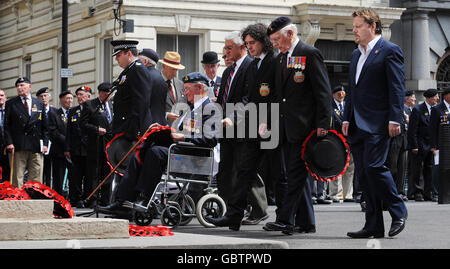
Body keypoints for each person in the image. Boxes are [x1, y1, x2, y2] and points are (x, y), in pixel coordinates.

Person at [98, 72, 221, 216]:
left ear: (199, 88)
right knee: (140, 151)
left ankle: (144, 197)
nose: (185, 93)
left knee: (155, 153)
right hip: (181, 152)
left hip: (194, 157)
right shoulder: (191, 109)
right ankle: (123, 200)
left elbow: (211, 139)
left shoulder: (211, 109)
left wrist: (184, 138)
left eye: (187, 89)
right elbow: (179, 131)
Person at [261, 16, 332, 235]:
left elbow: (323, 92)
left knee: (295, 174)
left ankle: (285, 219)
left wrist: (323, 123)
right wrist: (269, 121)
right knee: (297, 175)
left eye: (276, 39)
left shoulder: (310, 54)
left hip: (305, 127)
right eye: (272, 40)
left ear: (290, 34)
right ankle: (306, 222)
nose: (274, 44)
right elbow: (278, 96)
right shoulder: (281, 59)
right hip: (286, 127)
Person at [342, 9, 408, 238]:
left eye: (358, 26)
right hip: (357, 124)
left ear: (373, 26)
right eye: (353, 27)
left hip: (380, 122)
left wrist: (395, 118)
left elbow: (397, 87)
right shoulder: (355, 54)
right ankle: (373, 225)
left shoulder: (390, 51)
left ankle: (399, 210)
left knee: (375, 167)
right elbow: (352, 90)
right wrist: (346, 117)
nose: (355, 30)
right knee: (364, 174)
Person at [215, 30, 252, 207]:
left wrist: (233, 117)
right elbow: (222, 99)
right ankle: (228, 207)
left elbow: (248, 98)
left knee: (243, 171)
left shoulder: (251, 66)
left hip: (243, 128)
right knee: (225, 171)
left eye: (230, 48)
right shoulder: (229, 70)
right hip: (226, 129)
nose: (226, 51)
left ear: (242, 47)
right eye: (225, 48)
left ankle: (256, 209)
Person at [4, 77, 49, 188]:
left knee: (36, 175)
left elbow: (45, 126)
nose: (19, 88)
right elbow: (6, 126)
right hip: (18, 144)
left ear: (29, 86)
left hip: (35, 145)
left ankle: (33, 199)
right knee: (17, 176)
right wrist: (9, 142)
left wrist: (45, 144)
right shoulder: (11, 103)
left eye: (22, 85)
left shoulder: (38, 103)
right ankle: (18, 201)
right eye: (17, 86)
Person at [111, 40, 159, 139]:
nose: (116, 59)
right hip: (124, 126)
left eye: (118, 55)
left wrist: (134, 130)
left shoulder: (138, 69)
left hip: (131, 129)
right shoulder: (129, 70)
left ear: (128, 53)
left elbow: (141, 101)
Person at [80, 82, 114, 206]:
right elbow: (83, 124)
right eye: (106, 93)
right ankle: (92, 200)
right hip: (95, 144)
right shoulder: (90, 105)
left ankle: (106, 201)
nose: (108, 96)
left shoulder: (111, 105)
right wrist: (95, 129)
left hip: (109, 145)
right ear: (100, 93)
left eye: (109, 94)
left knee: (107, 173)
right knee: (93, 173)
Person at [408, 88, 439, 202]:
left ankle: (428, 192)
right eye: (435, 96)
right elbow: (412, 130)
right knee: (418, 169)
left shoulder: (435, 109)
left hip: (431, 144)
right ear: (429, 98)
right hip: (420, 144)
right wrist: (414, 145)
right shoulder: (418, 109)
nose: (437, 98)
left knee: (430, 168)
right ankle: (418, 192)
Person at [65, 86, 91, 207]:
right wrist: (67, 148)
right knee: (76, 176)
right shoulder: (73, 111)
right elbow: (68, 131)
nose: (79, 97)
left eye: (81, 94)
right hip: (76, 149)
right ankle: (76, 198)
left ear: (88, 95)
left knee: (89, 175)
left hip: (89, 148)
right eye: (78, 95)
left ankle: (88, 198)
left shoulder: (92, 108)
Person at [329, 85, 355, 203]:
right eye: (338, 93)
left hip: (349, 140)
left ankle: (348, 193)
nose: (341, 95)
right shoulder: (330, 107)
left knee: (350, 168)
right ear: (333, 94)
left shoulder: (348, 106)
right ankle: (336, 193)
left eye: (343, 94)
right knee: (336, 167)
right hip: (337, 140)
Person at [47, 90, 73, 197]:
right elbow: (54, 132)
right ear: (61, 99)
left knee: (73, 175)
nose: (70, 101)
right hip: (59, 150)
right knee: (59, 175)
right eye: (67, 98)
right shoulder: (54, 113)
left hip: (72, 151)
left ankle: (72, 196)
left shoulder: (74, 113)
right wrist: (67, 142)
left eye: (71, 98)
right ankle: (58, 196)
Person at [36, 87, 57, 188]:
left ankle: (49, 189)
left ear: (49, 97)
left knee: (51, 171)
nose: (43, 98)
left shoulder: (55, 111)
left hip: (53, 145)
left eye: (45, 96)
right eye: (41, 96)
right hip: (40, 144)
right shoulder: (36, 110)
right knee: (40, 170)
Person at [159, 51, 186, 126]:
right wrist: (166, 115)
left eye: (176, 69)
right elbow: (150, 108)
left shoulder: (180, 84)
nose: (175, 73)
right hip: (161, 130)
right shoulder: (155, 82)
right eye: (172, 69)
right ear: (164, 66)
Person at [0, 89, 9, 182]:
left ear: (5, 97)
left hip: (8, 146)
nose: (0, 98)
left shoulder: (10, 110)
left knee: (8, 170)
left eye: (2, 95)